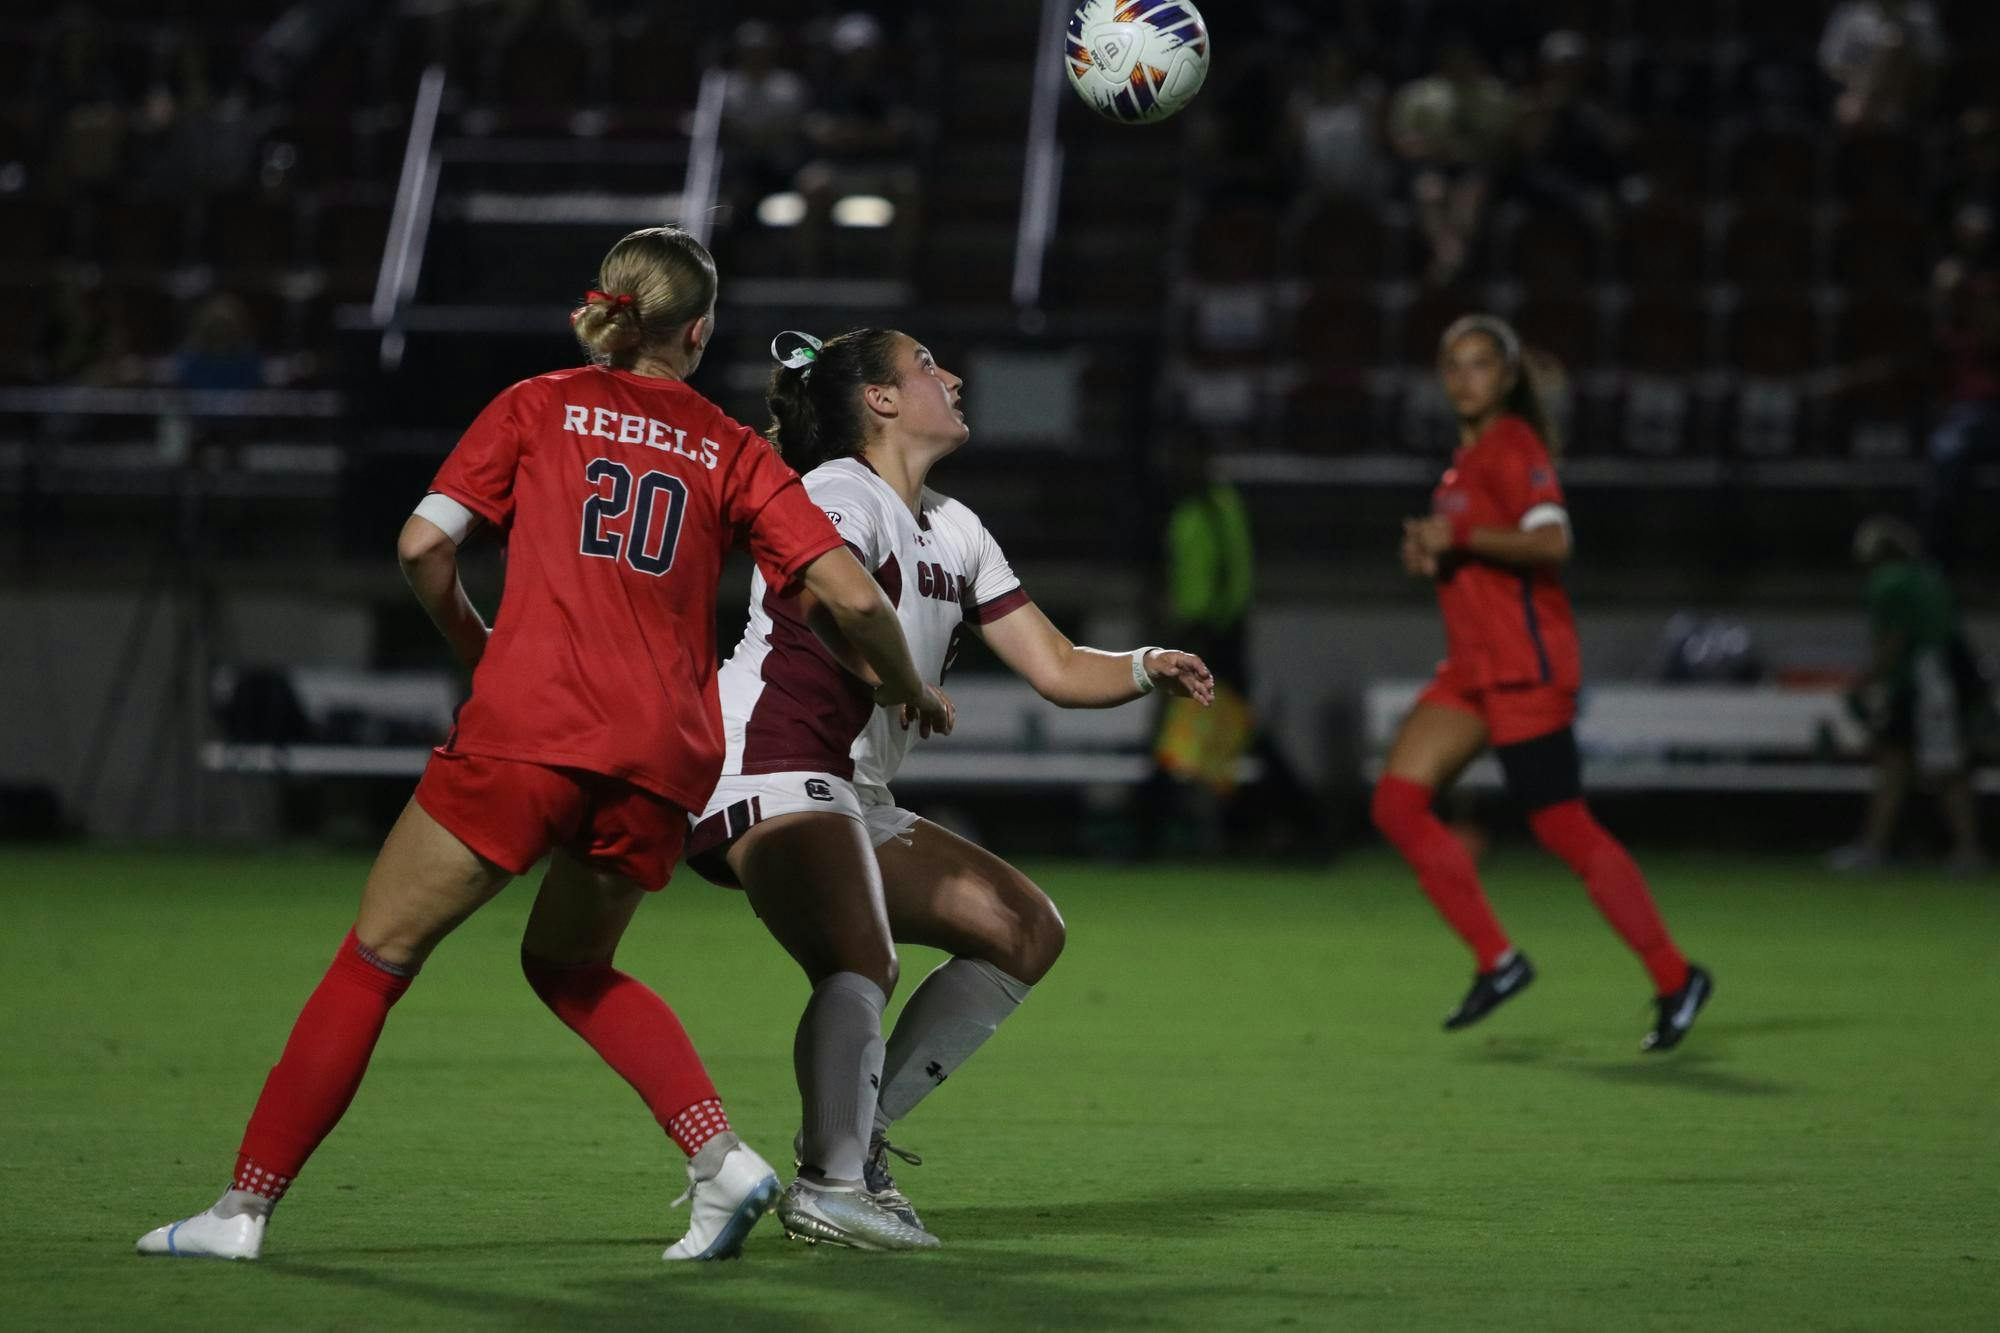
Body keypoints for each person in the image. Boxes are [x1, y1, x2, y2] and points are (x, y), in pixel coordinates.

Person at [135, 227, 942, 1263]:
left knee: (375, 959)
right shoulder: (732, 446)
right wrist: (905, 681)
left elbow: (423, 546)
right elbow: (850, 595)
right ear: (696, 331)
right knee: (569, 962)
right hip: (662, 757)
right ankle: (718, 1159)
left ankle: (240, 1212)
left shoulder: (537, 403)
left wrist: (480, 644)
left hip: (532, 729)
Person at [686, 327, 1213, 1249]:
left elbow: (1052, 663)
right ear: (880, 401)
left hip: (850, 789)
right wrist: (900, 680)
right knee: (861, 955)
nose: (954, 375)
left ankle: (850, 1136)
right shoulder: (836, 489)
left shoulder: (955, 526)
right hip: (765, 762)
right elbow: (829, 599)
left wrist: (1142, 664)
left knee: (1023, 928)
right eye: (928, 365)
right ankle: (831, 1185)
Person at [1374, 313, 1713, 1052]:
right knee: (1397, 803)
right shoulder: (1461, 466)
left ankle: (1674, 973)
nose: (1465, 377)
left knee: (1564, 827)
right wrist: (1434, 554)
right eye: (1453, 364)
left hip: (1525, 668)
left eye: (1480, 364)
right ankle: (1498, 959)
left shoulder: (1514, 446)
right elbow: (1478, 555)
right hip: (1472, 671)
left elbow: (1553, 540)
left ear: (1507, 376)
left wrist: (1456, 538)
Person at [1829, 516, 1990, 874]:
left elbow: (1893, 640)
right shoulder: (1929, 577)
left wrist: (1867, 680)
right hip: (1947, 677)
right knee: (1924, 765)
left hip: (1927, 684)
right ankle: (1961, 849)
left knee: (1913, 766)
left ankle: (1883, 849)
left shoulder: (1888, 583)